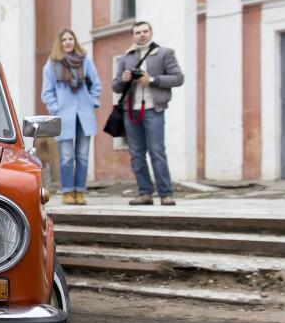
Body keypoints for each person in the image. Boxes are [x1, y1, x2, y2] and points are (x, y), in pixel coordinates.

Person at [112, 20, 185, 206]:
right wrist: (124, 79)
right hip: (131, 111)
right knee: (136, 154)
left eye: (145, 31)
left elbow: (178, 78)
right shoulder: (127, 56)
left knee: (157, 152)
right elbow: (115, 86)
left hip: (154, 109)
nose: (142, 35)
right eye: (138, 32)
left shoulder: (164, 53)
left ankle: (166, 194)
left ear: (151, 33)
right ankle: (145, 193)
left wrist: (151, 79)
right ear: (133, 35)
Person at [40, 28, 101, 205]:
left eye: (71, 39)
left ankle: (79, 191)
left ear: (75, 41)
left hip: (84, 113)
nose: (68, 42)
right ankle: (67, 191)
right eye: (65, 39)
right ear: (60, 43)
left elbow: (96, 84)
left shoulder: (85, 61)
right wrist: (55, 108)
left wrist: (92, 101)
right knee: (66, 156)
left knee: (82, 155)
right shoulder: (52, 64)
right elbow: (47, 91)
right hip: (64, 115)